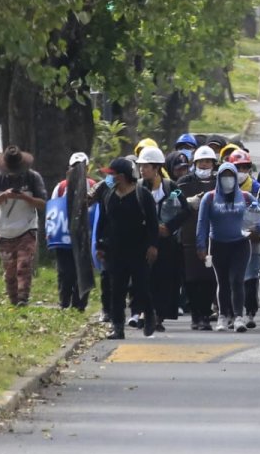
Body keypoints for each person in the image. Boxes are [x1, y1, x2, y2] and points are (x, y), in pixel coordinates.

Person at [94, 157, 159, 340]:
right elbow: (103, 221)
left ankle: (149, 315)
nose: (109, 178)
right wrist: (100, 245)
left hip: (139, 249)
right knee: (117, 289)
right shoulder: (108, 196)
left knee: (141, 287)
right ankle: (118, 326)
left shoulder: (142, 195)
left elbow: (153, 223)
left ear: (122, 176)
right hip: (115, 250)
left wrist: (153, 245)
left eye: (112, 175)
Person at [196, 163, 259, 333]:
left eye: (231, 176)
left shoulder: (245, 197)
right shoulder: (209, 198)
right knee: (222, 282)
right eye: (224, 176)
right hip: (218, 244)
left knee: (238, 280)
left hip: (240, 244)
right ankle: (223, 316)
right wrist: (200, 245)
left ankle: (238, 316)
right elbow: (202, 223)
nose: (228, 180)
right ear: (218, 178)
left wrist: (256, 227)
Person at [0, 146, 48, 306]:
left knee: (24, 264)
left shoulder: (33, 178)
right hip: (5, 231)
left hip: (27, 228)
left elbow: (42, 203)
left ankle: (23, 298)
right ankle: (14, 301)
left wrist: (24, 198)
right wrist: (4, 196)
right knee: (10, 273)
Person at [137, 146, 186, 332]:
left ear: (156, 167)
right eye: (141, 166)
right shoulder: (137, 188)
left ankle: (159, 315)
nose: (143, 169)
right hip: (143, 241)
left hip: (166, 243)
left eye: (146, 166)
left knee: (164, 279)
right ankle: (143, 312)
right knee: (143, 278)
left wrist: (169, 227)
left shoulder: (171, 187)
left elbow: (185, 210)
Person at [177, 145, 220, 330]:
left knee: (210, 278)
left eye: (208, 161)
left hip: (213, 238)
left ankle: (205, 314)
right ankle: (196, 315)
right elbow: (174, 204)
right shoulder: (184, 182)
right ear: (195, 163)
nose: (205, 164)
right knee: (191, 279)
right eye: (201, 161)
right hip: (188, 238)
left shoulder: (220, 181)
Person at [49, 152, 97, 311]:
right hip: (64, 238)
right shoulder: (61, 187)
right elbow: (54, 209)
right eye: (74, 167)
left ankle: (80, 304)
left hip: (85, 238)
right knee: (65, 272)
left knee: (82, 270)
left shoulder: (93, 186)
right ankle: (64, 302)